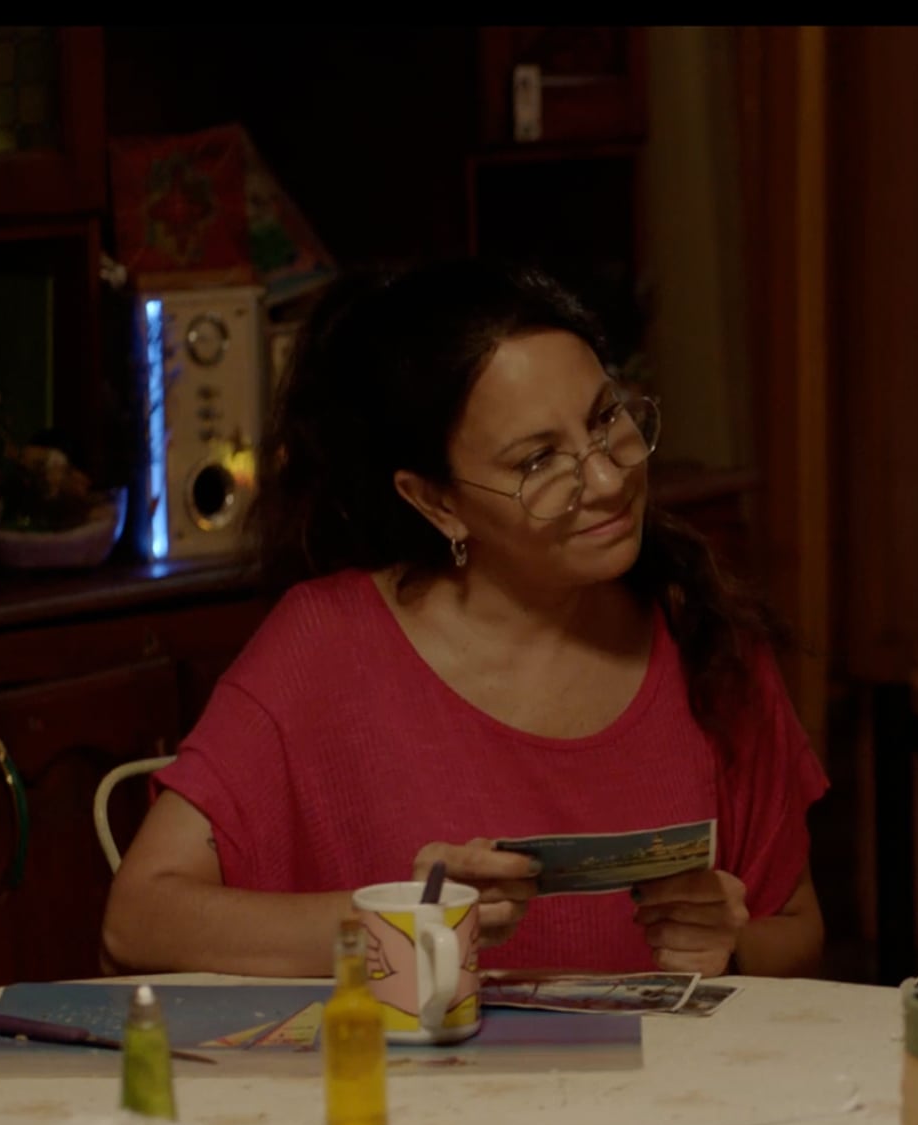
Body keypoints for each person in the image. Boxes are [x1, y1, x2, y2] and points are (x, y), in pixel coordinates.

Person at [103, 258, 827, 981]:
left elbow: (797, 929)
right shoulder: (328, 645)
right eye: (538, 462)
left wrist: (731, 946)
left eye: (607, 420)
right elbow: (138, 919)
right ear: (436, 502)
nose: (609, 480)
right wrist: (403, 923)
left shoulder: (703, 632)